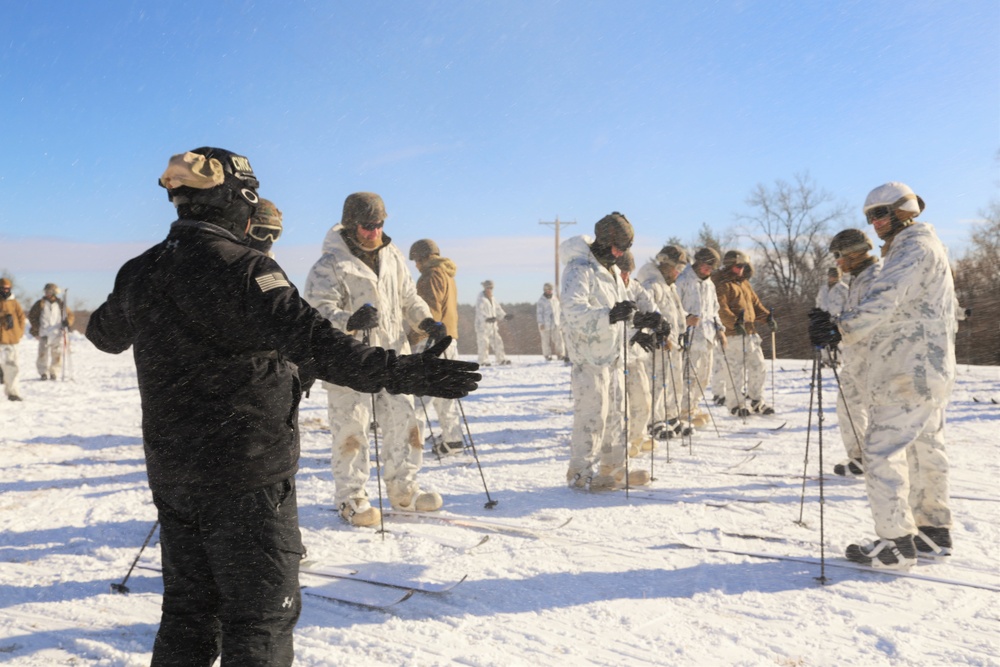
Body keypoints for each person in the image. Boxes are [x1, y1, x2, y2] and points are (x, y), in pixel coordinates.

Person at [86, 148, 479, 666]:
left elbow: (103, 333)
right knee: (260, 618)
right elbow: (323, 343)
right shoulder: (245, 270)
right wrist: (408, 371)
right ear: (235, 200)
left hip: (175, 472)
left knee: (189, 612)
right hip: (244, 473)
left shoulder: (141, 271)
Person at [810, 182, 956, 570]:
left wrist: (838, 329)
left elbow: (886, 298)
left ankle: (896, 543)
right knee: (925, 450)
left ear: (903, 210)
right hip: (928, 366)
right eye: (869, 217)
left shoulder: (912, 246)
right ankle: (933, 532)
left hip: (908, 366)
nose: (874, 224)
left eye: (880, 214)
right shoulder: (928, 246)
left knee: (879, 452)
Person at [305, 193, 452, 527]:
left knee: (405, 421)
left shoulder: (393, 255)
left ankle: (404, 488)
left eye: (379, 225)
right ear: (350, 223)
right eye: (366, 226)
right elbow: (317, 311)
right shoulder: (328, 265)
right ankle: (351, 497)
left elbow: (407, 297)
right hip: (348, 359)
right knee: (351, 429)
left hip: (392, 354)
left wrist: (425, 320)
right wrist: (349, 319)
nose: (373, 232)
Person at [561, 212, 652, 491]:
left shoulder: (610, 270)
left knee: (616, 413)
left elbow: (620, 308)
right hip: (588, 356)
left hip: (613, 354)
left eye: (624, 250)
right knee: (592, 414)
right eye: (617, 248)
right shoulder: (579, 269)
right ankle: (580, 472)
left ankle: (613, 467)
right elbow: (573, 311)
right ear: (603, 240)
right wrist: (609, 316)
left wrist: (641, 320)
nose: (619, 254)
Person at [826, 229, 881, 478]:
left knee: (877, 412)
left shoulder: (875, 278)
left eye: (839, 255)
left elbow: (870, 318)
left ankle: (882, 464)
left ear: (854, 252)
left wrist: (836, 327)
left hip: (874, 359)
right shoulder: (857, 279)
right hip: (854, 358)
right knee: (847, 405)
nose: (836, 261)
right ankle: (859, 457)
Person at [409, 238, 464, 457]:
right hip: (450, 341)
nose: (415, 265)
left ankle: (412, 446)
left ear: (423, 258)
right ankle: (453, 440)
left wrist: (412, 337)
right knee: (444, 395)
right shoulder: (448, 275)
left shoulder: (430, 276)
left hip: (431, 342)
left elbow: (430, 314)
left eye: (416, 260)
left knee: (418, 397)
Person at [635, 245, 690, 439]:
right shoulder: (652, 285)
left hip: (672, 343)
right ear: (666, 264)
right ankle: (653, 420)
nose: (678, 273)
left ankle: (670, 414)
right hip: (657, 344)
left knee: (673, 381)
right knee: (656, 382)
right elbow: (646, 314)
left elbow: (675, 313)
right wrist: (656, 334)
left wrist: (683, 328)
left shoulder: (669, 287)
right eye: (677, 268)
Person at [713, 250, 776, 416]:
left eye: (743, 266)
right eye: (738, 266)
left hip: (750, 334)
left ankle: (757, 400)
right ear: (729, 266)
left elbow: (755, 304)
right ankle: (735, 404)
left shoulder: (744, 284)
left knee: (759, 367)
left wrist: (767, 318)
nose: (741, 269)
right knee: (735, 371)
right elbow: (721, 309)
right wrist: (734, 323)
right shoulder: (723, 285)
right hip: (733, 336)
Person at [616, 251, 661, 457]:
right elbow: (611, 320)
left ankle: (638, 436)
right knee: (619, 404)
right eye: (622, 271)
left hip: (634, 354)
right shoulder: (608, 287)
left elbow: (650, 309)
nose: (625, 276)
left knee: (643, 397)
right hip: (614, 356)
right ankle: (619, 442)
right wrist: (635, 325)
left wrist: (653, 325)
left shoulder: (634, 287)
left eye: (628, 272)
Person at [675, 247, 725, 426]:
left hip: (708, 337)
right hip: (690, 337)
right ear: (698, 262)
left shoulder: (709, 284)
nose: (708, 270)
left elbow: (714, 310)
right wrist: (685, 318)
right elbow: (672, 306)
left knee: (704, 375)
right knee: (689, 376)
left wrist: (720, 329)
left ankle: (694, 407)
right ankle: (683, 410)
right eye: (706, 266)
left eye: (712, 268)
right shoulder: (683, 280)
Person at [28, 283, 74, 380]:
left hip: (57, 333)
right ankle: (43, 372)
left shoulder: (61, 303)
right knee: (42, 354)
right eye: (45, 291)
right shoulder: (40, 303)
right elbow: (32, 316)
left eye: (49, 292)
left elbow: (70, 315)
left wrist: (67, 322)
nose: (46, 293)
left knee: (56, 354)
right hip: (43, 332)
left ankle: (54, 372)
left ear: (54, 293)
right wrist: (35, 328)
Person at [0, 278, 26, 401]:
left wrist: (19, 332)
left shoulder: (14, 303)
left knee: (13, 367)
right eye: (3, 288)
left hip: (12, 340)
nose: (5, 290)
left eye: (7, 288)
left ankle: (13, 393)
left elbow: (22, 318)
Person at [475, 280, 511, 365]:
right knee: (483, 343)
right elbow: (479, 311)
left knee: (498, 341)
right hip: (482, 326)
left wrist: (504, 316)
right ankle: (482, 361)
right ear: (485, 288)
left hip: (492, 326)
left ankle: (501, 359)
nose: (490, 289)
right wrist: (487, 318)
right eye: (488, 288)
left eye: (491, 288)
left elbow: (498, 309)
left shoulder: (492, 298)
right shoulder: (481, 298)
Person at [536, 283, 565, 361]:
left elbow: (559, 311)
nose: (550, 291)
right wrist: (540, 323)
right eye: (548, 290)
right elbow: (539, 313)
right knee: (546, 341)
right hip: (545, 324)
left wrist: (562, 322)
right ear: (545, 290)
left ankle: (560, 354)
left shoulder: (555, 299)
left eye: (551, 290)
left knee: (559, 339)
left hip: (556, 323)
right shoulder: (541, 301)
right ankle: (547, 355)